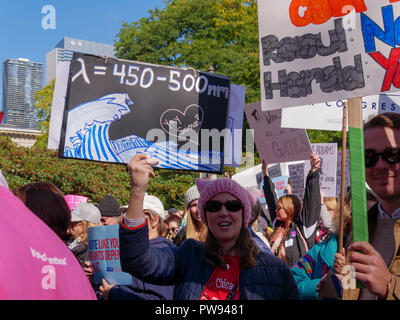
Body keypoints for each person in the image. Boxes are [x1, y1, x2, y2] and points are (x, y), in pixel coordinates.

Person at [118, 154, 299, 300]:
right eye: (213, 207)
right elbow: (137, 261)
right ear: (205, 216)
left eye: (232, 205)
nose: (223, 211)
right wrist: (137, 189)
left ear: (244, 214)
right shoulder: (189, 256)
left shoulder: (276, 271)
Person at [335, 112, 400, 300]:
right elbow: (350, 290)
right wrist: (336, 285)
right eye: (369, 156)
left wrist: (389, 286)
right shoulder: (358, 233)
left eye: (392, 154)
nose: (380, 165)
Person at [98, 193, 175, 300]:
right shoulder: (126, 248)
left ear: (154, 220)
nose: (126, 220)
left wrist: (114, 293)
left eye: (133, 216)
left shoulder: (162, 254)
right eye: (125, 215)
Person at [263, 153, 322, 267]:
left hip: (297, 281)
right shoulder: (278, 225)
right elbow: (271, 200)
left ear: (289, 209)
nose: (275, 211)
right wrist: (265, 173)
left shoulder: (304, 227)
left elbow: (312, 200)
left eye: (279, 208)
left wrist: (313, 172)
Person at [67, 202, 102, 268]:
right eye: (71, 221)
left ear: (87, 225)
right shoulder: (73, 240)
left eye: (75, 222)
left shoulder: (87, 248)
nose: (71, 224)